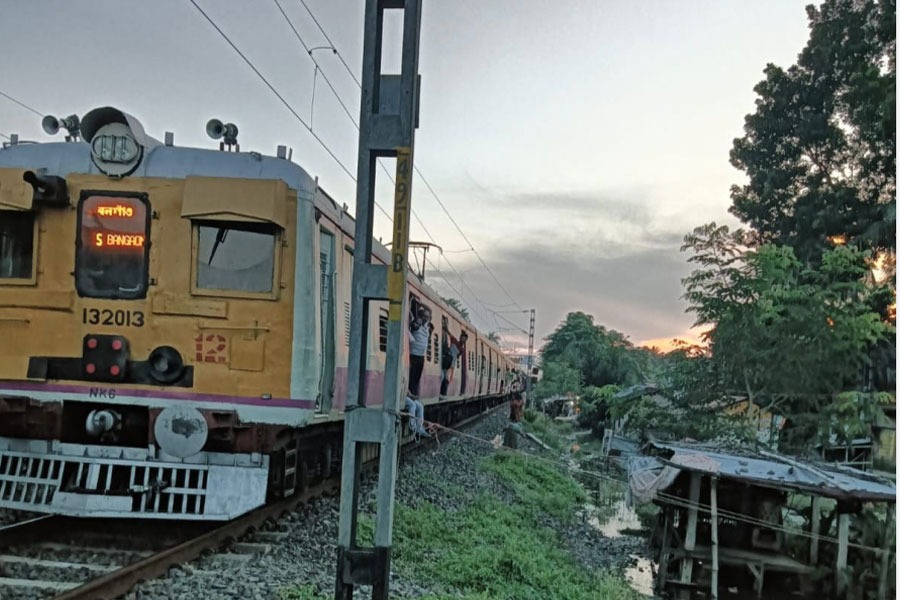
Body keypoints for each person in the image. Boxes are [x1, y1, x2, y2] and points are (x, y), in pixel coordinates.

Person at [407, 304, 432, 398]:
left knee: (417, 377)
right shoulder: (416, 324)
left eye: (427, 317)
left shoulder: (427, 326)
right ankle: (409, 393)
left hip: (421, 356)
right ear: (420, 316)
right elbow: (413, 326)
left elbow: (431, 311)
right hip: (413, 354)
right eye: (424, 316)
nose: (425, 318)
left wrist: (422, 304)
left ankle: (413, 393)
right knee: (412, 375)